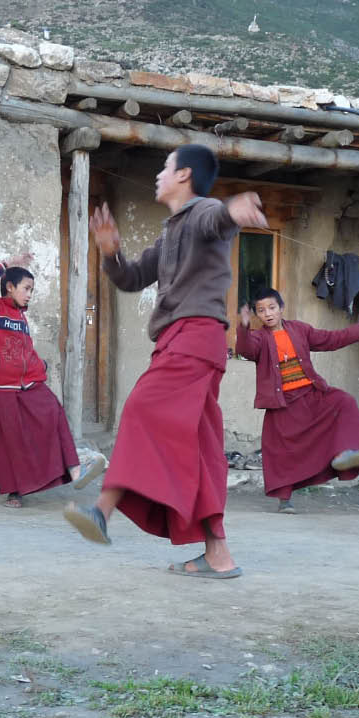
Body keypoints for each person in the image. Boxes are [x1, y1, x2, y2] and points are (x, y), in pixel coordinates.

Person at [63, 144, 267, 579]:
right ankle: (218, 554)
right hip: (186, 343)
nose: (158, 174)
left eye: (165, 167)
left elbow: (219, 220)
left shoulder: (205, 213)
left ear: (184, 176)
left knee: (141, 407)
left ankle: (103, 509)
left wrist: (235, 208)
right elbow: (133, 278)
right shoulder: (171, 231)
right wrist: (110, 251)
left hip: (194, 340)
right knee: (201, 452)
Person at [235, 287, 359, 513]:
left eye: (272, 308)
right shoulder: (258, 338)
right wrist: (243, 327)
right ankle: (285, 500)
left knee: (344, 402)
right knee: (281, 452)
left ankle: (347, 452)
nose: (268, 314)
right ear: (257, 315)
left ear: (281, 309)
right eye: (261, 311)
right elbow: (246, 350)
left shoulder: (300, 330)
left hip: (311, 394)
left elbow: (330, 339)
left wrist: (357, 330)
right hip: (282, 403)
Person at [0, 253, 105, 507]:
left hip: (29, 385)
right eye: (26, 289)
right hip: (5, 388)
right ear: (10, 287)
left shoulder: (21, 319)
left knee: (53, 410)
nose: (29, 295)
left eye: (32, 290)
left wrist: (40, 366)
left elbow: (26, 351)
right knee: (11, 440)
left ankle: (73, 466)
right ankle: (15, 493)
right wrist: (6, 264)